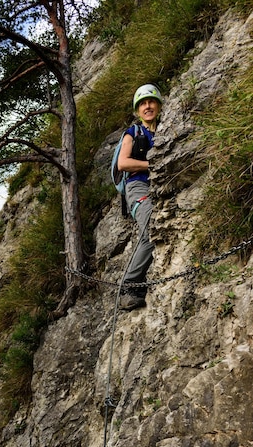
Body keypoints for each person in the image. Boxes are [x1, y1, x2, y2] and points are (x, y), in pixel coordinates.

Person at [117, 83, 162, 311]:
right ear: (138, 110)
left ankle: (135, 283)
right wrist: (150, 164)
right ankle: (128, 286)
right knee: (151, 229)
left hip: (158, 187)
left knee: (153, 230)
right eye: (143, 103)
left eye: (151, 101)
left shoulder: (164, 130)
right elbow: (122, 163)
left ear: (158, 105)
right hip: (138, 187)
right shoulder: (133, 133)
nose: (147, 106)